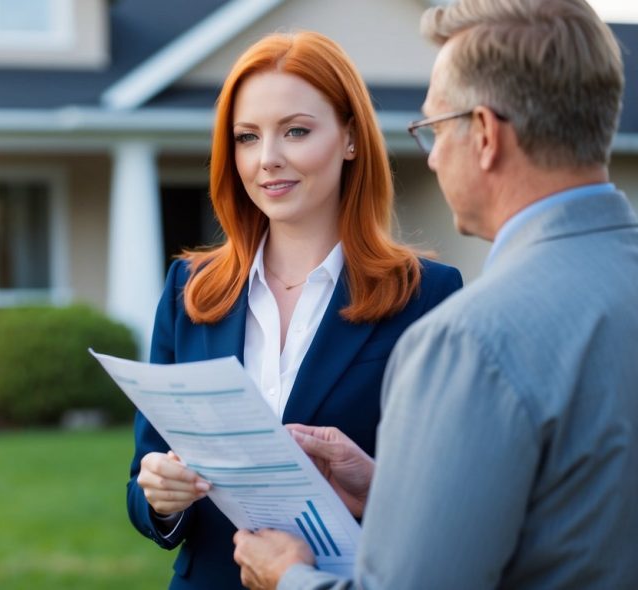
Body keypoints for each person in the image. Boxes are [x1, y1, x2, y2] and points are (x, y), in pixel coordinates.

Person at [232, 1, 638, 588]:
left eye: (435, 128)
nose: (432, 154)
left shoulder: (471, 340)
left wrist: (290, 576)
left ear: (486, 136)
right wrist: (387, 491)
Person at [127, 31, 463, 589]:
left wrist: (376, 488)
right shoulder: (190, 289)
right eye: (247, 137)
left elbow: (452, 502)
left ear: (351, 138)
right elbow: (144, 488)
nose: (268, 160)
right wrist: (161, 498)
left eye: (296, 131)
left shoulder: (426, 296)